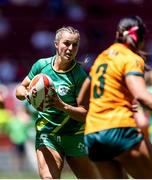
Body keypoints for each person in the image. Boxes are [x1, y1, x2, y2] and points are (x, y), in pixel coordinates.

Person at [77, 15, 152, 179]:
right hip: (120, 129)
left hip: (93, 135)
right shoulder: (131, 58)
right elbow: (141, 96)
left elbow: (82, 100)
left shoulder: (101, 58)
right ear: (139, 39)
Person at [15, 26, 100, 179]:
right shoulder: (41, 66)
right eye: (66, 43)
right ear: (56, 44)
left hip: (75, 136)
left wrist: (62, 106)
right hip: (48, 135)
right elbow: (20, 89)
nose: (70, 48)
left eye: (75, 45)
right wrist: (28, 94)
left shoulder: (80, 76)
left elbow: (85, 114)